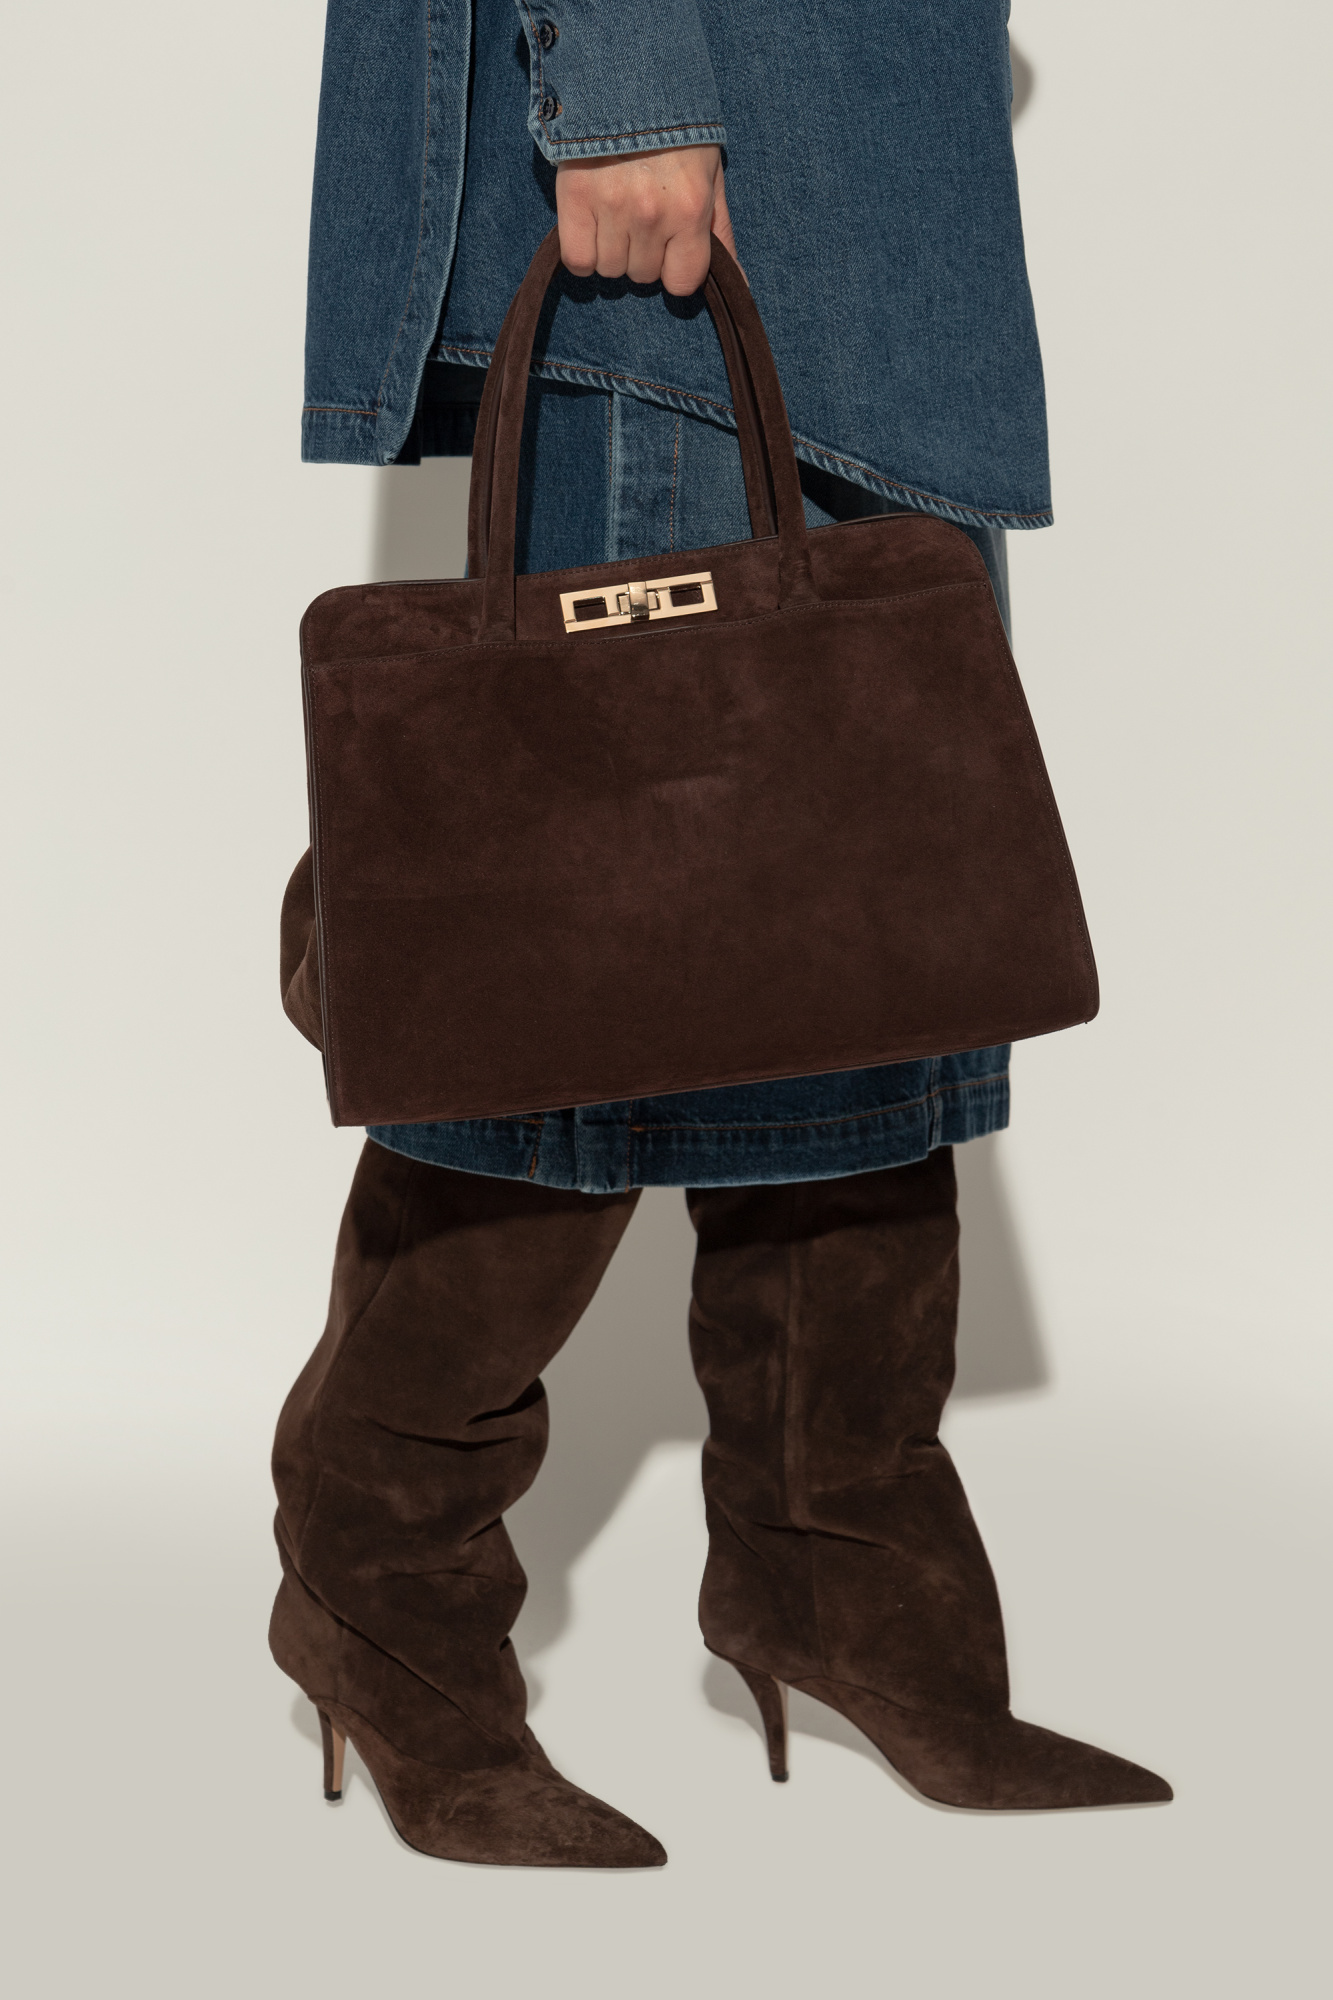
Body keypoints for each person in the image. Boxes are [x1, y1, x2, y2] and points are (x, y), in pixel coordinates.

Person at [271, 0, 1171, 1867]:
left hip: (859, 197)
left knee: (855, 943)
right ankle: (387, 1603)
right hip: (691, 158)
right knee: (575, 1000)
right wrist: (619, 85)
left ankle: (844, 1586)